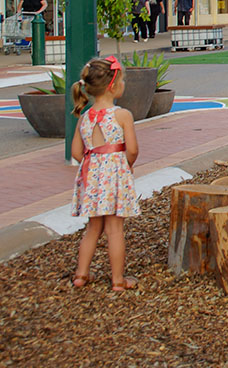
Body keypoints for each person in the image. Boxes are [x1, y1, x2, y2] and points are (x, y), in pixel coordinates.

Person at [69, 56, 140, 291]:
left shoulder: (85, 116)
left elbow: (76, 152)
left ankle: (81, 274)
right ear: (113, 85)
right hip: (115, 177)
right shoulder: (122, 115)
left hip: (92, 178)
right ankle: (118, 280)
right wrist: (125, 165)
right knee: (114, 229)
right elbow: (132, 149)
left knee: (93, 228)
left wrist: (95, 165)